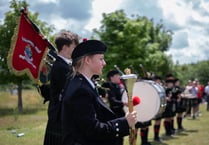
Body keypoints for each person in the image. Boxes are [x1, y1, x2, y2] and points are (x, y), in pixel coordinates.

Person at [61, 40, 137, 145]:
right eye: (101, 59)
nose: (104, 63)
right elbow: (93, 130)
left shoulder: (84, 84)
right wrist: (125, 122)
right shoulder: (80, 90)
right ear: (87, 60)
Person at [43, 31, 79, 145]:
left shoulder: (65, 65)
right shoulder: (61, 67)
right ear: (64, 47)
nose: (76, 49)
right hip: (59, 117)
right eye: (74, 46)